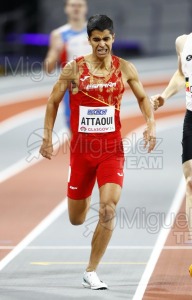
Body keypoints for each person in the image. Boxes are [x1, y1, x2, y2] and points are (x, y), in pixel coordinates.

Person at [40, 14, 156, 290]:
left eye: (106, 38)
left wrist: (151, 124)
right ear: (89, 40)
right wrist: (46, 138)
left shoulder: (125, 68)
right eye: (96, 39)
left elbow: (142, 97)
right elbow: (53, 100)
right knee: (76, 218)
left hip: (111, 151)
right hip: (81, 153)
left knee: (108, 209)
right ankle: (83, 193)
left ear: (113, 38)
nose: (102, 44)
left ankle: (91, 271)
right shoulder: (74, 69)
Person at [150, 33, 192, 273]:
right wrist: (164, 96)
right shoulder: (182, 42)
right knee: (190, 182)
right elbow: (181, 74)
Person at [44, 0, 91, 130]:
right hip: (71, 91)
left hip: (95, 88)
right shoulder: (58, 35)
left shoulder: (95, 33)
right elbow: (48, 68)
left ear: (85, 8)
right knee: (74, 130)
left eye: (80, 5)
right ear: (66, 9)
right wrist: (56, 51)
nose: (76, 8)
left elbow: (111, 63)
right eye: (72, 5)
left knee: (97, 133)